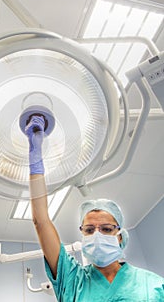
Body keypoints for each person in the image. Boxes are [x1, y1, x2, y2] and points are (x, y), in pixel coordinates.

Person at [25, 115, 164, 302]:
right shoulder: (73, 280)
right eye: (89, 230)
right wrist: (35, 153)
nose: (97, 235)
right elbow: (40, 220)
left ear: (120, 237)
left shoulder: (153, 285)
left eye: (106, 229)